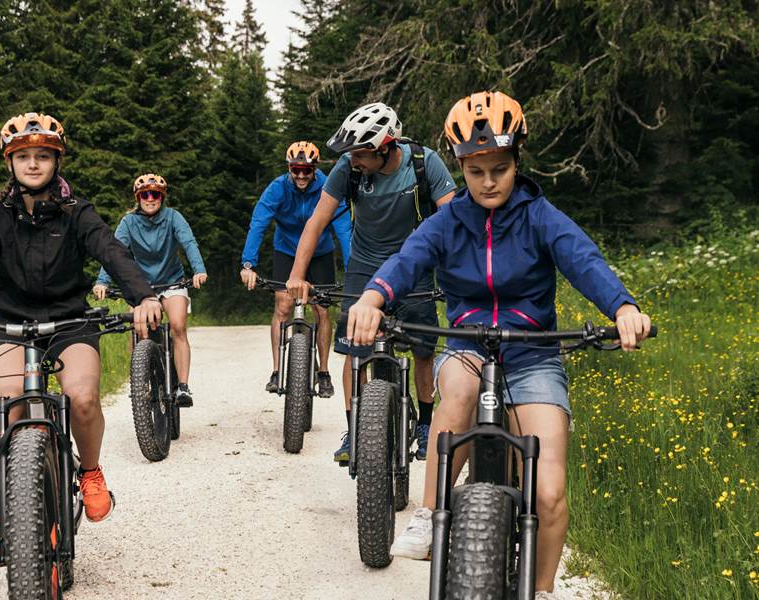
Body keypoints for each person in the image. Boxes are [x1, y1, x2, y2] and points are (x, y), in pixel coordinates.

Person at [345, 91, 653, 597]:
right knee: (459, 393)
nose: (489, 182)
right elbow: (408, 259)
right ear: (461, 168)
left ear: (516, 163)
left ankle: (544, 588)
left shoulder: (541, 216)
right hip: (468, 343)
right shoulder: (446, 222)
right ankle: (429, 513)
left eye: (500, 168)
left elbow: (584, 260)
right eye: (475, 170)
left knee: (549, 492)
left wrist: (622, 307)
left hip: (533, 355)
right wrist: (373, 297)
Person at [0, 112, 163, 566]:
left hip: (69, 321)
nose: (34, 164)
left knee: (81, 396)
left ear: (56, 161)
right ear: (10, 163)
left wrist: (143, 297)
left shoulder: (77, 212)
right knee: (8, 403)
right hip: (11, 323)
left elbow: (112, 252)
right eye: (24, 156)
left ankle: (91, 471)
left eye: (43, 155)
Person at [286, 103, 456, 463]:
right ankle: (355, 428)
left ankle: (425, 424)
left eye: (362, 153)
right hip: (364, 268)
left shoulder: (425, 164)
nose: (354, 160)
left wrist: (458, 275)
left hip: (414, 265)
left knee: (424, 349)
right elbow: (317, 221)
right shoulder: (347, 170)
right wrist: (297, 275)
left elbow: (454, 219)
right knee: (354, 350)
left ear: (385, 147)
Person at [240, 142, 351, 397]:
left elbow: (344, 230)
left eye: (307, 170)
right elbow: (258, 223)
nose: (301, 175)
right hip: (287, 251)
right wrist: (248, 264)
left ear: (315, 169)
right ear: (289, 168)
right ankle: (277, 370)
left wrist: (352, 269)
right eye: (296, 170)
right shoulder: (277, 188)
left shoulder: (328, 186)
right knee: (283, 306)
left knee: (322, 309)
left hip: (320, 252)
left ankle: (323, 372)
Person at [93, 174, 208, 407]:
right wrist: (102, 281)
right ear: (138, 198)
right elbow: (114, 253)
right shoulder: (128, 223)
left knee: (178, 325)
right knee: (139, 329)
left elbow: (188, 243)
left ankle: (183, 387)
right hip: (141, 286)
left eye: (155, 194)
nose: (150, 198)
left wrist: (198, 270)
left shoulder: (174, 217)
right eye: (145, 194)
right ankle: (140, 380)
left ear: (161, 197)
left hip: (172, 282)